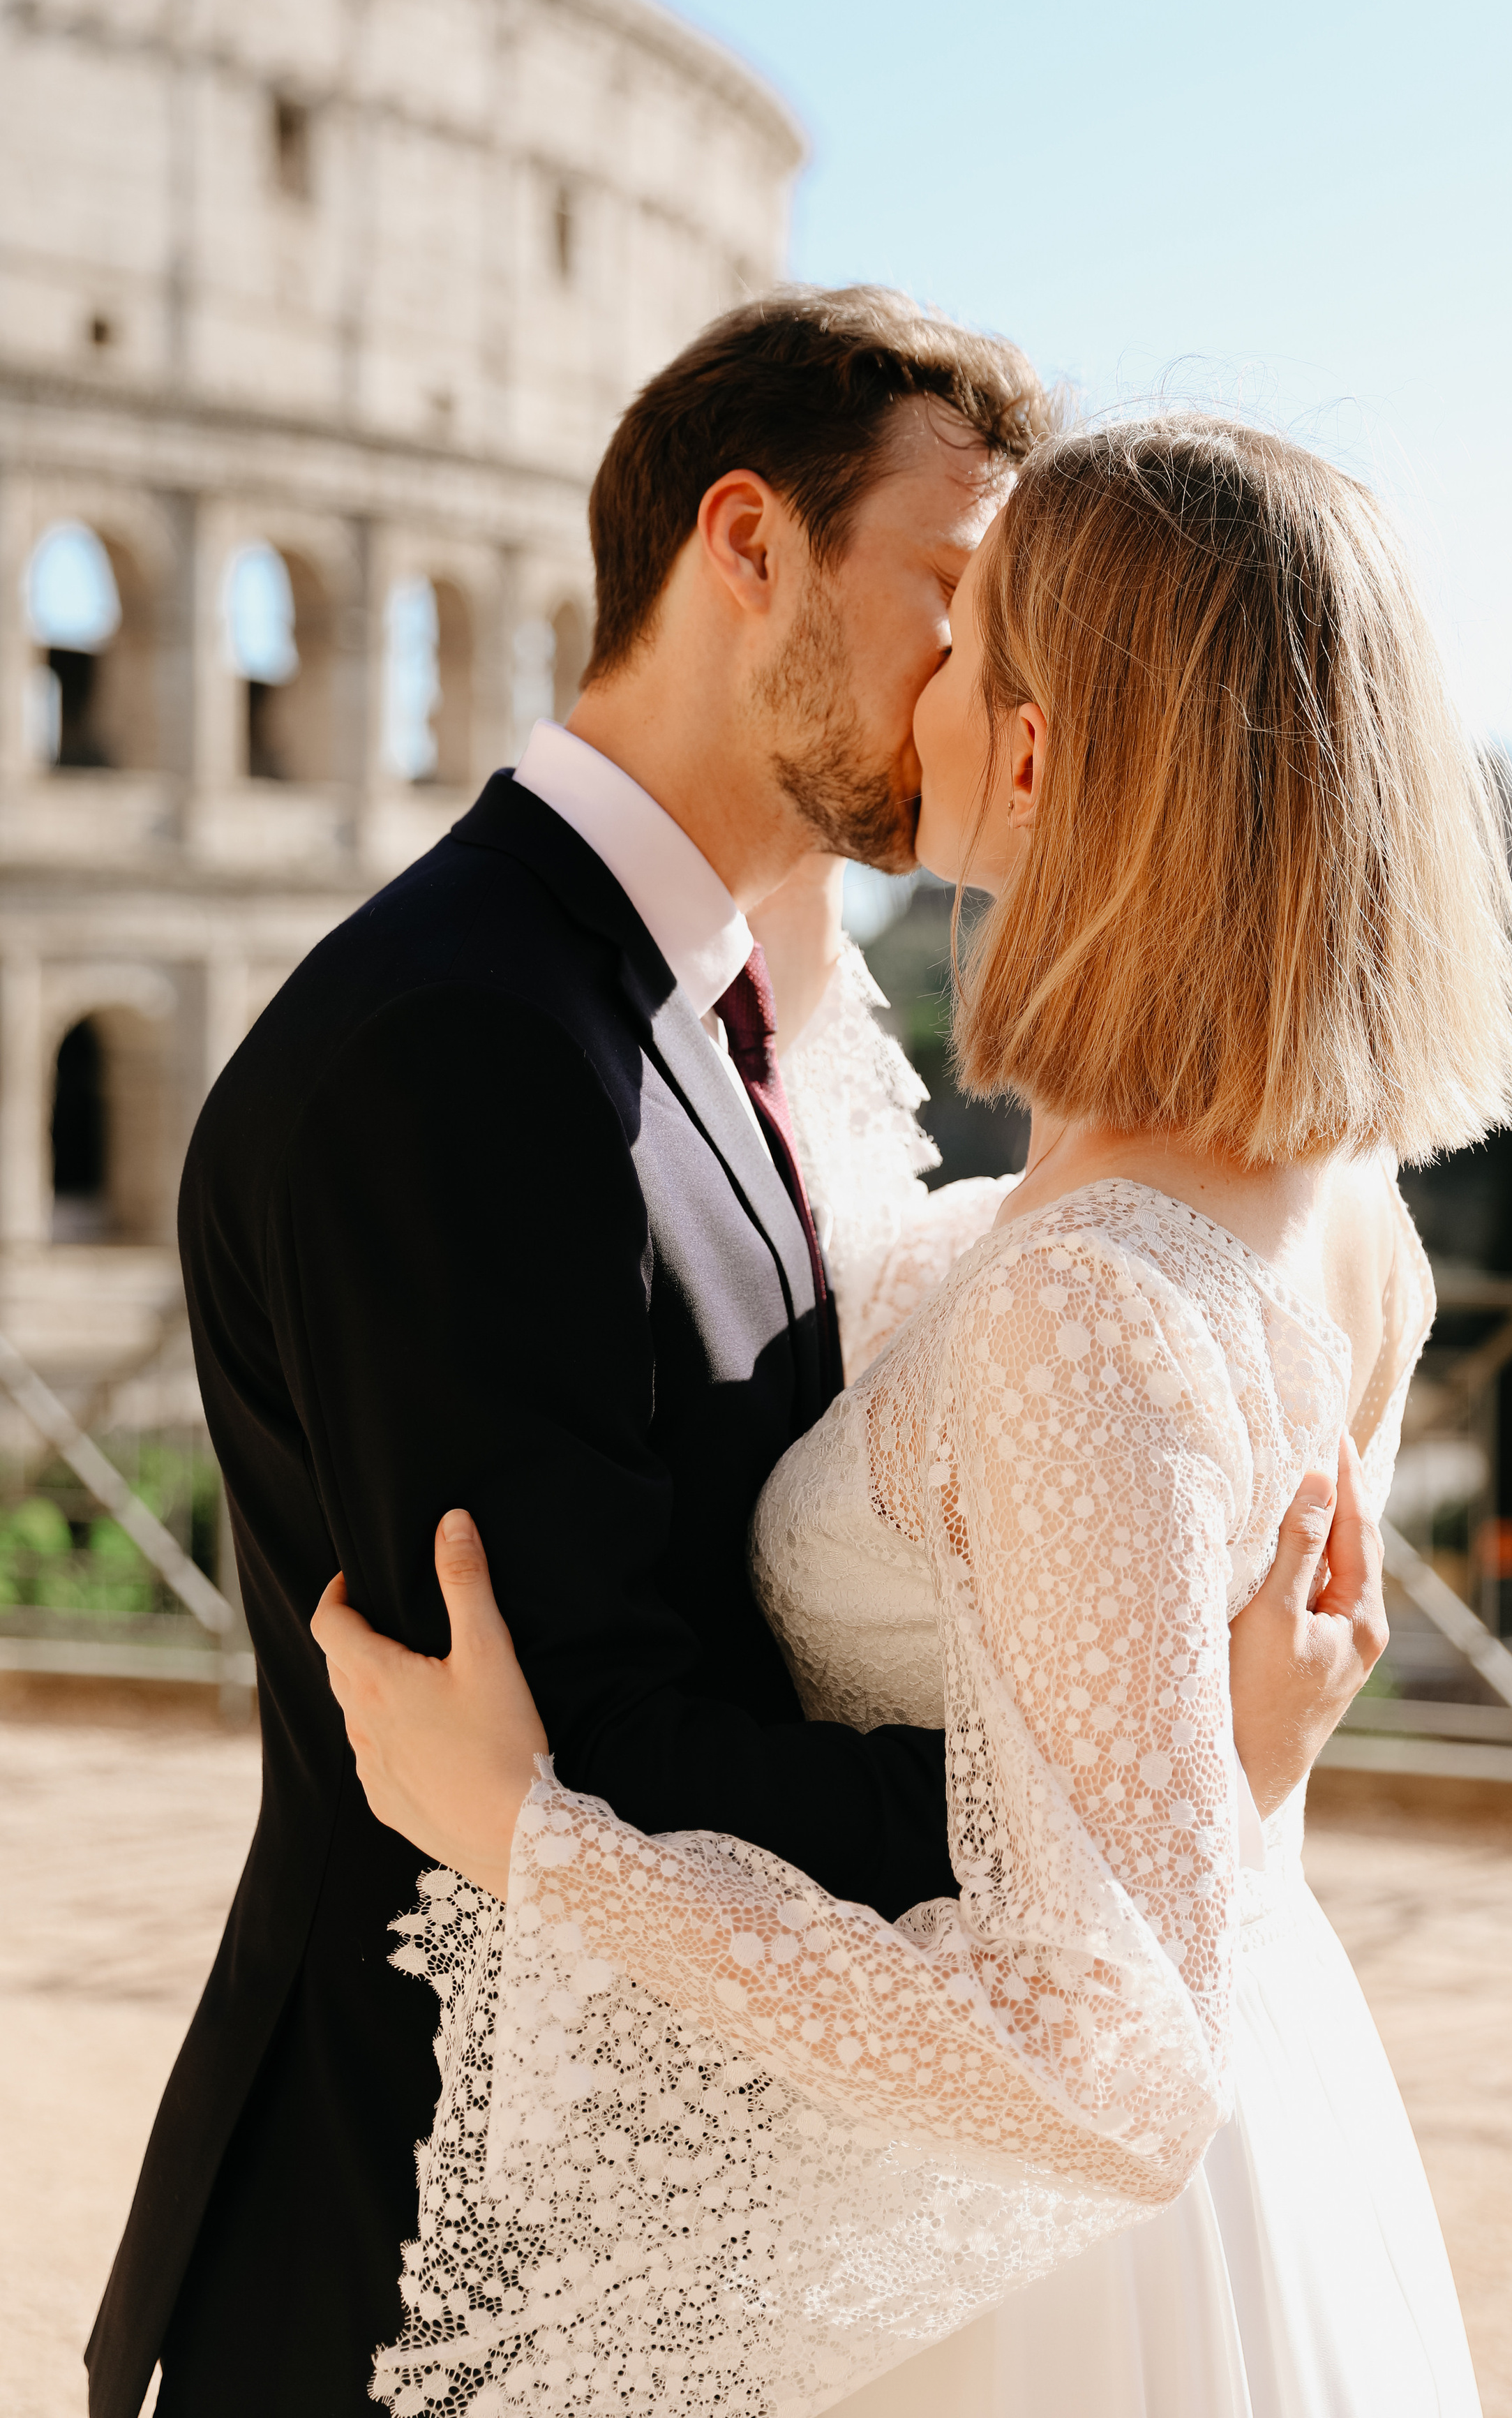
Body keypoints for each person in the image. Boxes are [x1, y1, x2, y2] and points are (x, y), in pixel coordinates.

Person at [87, 294, 1380, 2418]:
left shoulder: (735, 1013)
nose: (977, 681)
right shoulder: (467, 1049)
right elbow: (564, 1732)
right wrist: (1167, 1788)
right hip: (419, 2259)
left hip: (739, 2225)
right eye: (952, 599)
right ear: (746, 545)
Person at [314, 412, 1512, 2415]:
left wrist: (530, 1840)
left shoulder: (1082, 1303)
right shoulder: (1339, 1214)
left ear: (1044, 750)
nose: (927, 677)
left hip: (1055, 2284)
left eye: (969, 637)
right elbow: (1159, 1757)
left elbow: (1100, 2057)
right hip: (1265, 2143)